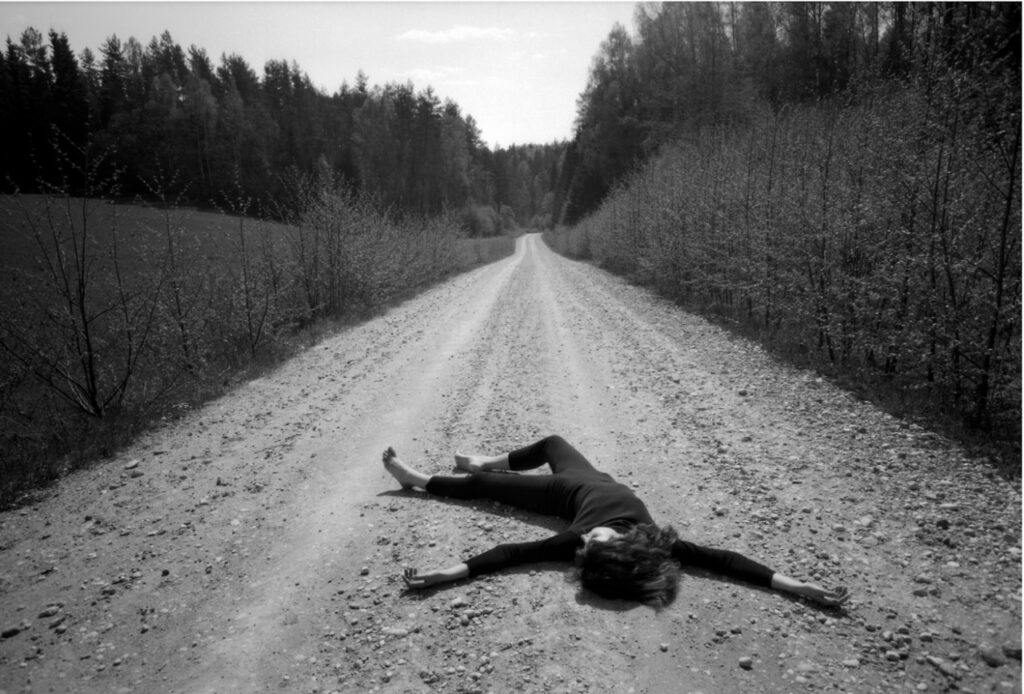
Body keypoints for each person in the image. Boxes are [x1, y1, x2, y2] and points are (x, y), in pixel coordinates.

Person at [382, 435, 849, 609]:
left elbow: (511, 555)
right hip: (594, 477)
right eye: (595, 541)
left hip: (562, 493)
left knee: (483, 487)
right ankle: (487, 459)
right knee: (551, 443)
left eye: (584, 544)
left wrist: (451, 572)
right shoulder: (657, 544)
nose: (585, 539)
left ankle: (418, 479)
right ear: (625, 549)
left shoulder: (579, 542)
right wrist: (794, 585)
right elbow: (726, 562)